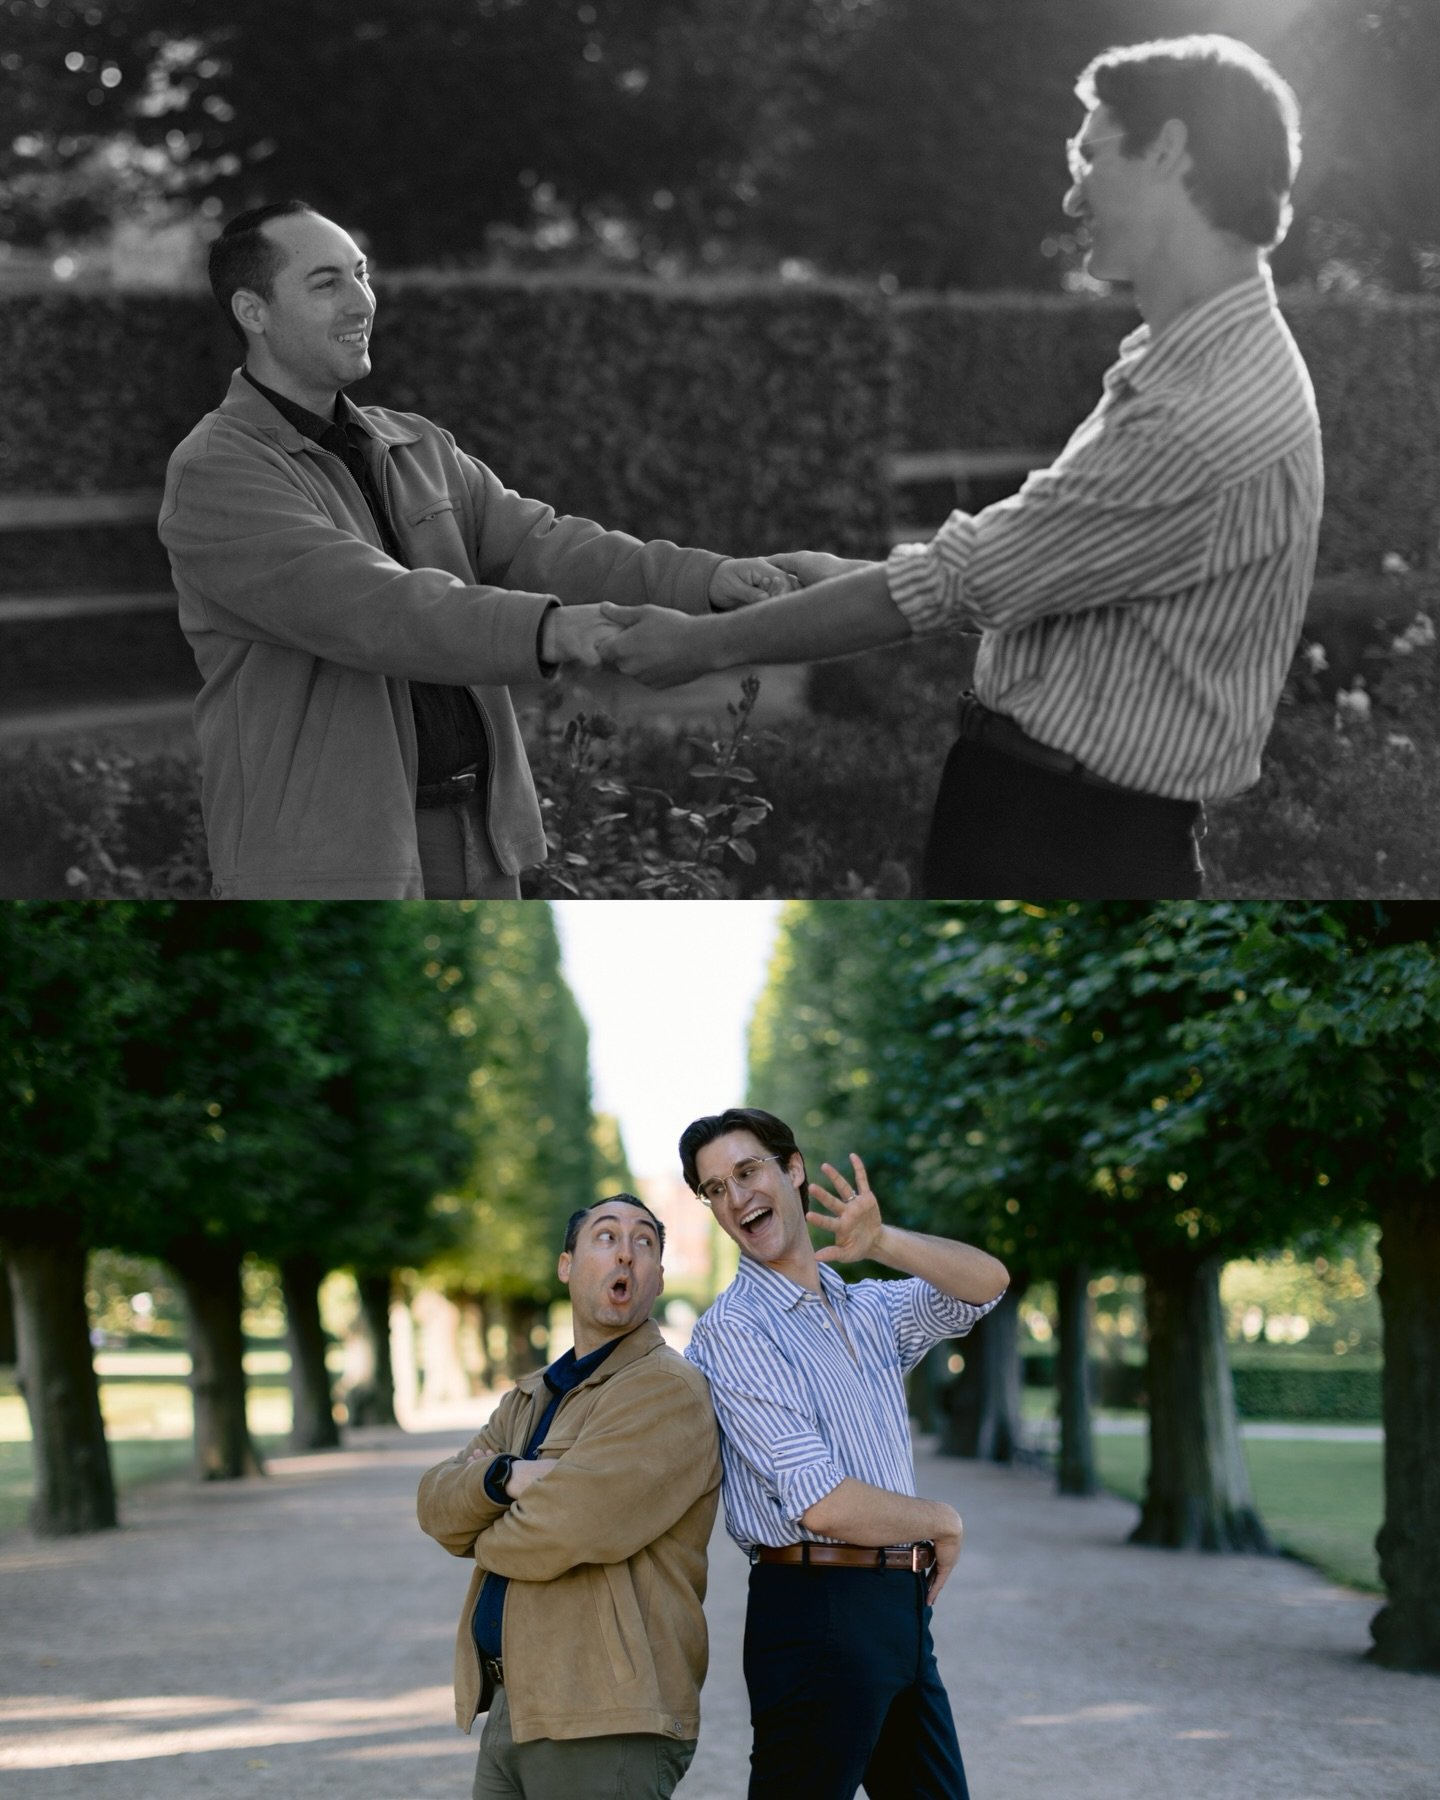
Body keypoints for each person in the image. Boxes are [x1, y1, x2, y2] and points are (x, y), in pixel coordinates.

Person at [600, 34, 1323, 900]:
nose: (1070, 192)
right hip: (1068, 822)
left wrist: (703, 644)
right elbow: (1046, 569)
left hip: (1070, 841)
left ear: (1167, 148)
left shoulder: (1205, 402)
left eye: (1088, 155)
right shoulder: (1196, 362)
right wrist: (847, 577)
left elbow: (958, 582)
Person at [159, 200, 794, 898]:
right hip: (330, 859)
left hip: (480, 836)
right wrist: (554, 629)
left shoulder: (416, 443)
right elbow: (374, 607)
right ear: (254, 311)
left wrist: (709, 579)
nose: (361, 301)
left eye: (362, 275)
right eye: (326, 283)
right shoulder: (218, 470)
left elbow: (548, 545)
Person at [679, 1106, 1008, 1800]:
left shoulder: (869, 1308)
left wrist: (884, 1240)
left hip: (901, 1607)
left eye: (748, 1172)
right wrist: (940, 1519)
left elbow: (986, 1285)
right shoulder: (733, 1332)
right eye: (715, 1189)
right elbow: (819, 1499)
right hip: (814, 1610)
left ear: (792, 1170)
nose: (736, 1198)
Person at [416, 1193, 720, 1800]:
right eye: (606, 1237)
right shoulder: (530, 1397)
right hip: (515, 1708)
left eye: (645, 1243)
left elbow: (565, 1529)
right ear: (566, 1265)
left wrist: (481, 1525)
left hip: (607, 1718)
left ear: (658, 1276)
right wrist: (505, 1477)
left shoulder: (666, 1390)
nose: (626, 1255)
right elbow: (434, 1505)